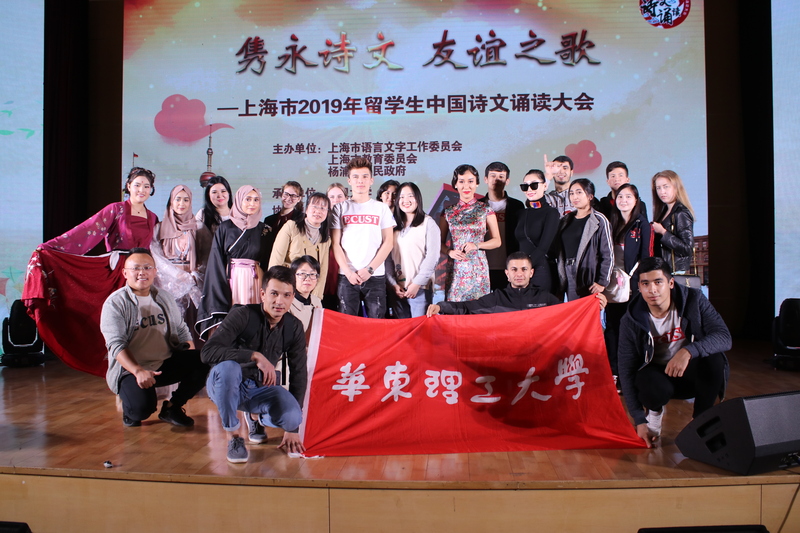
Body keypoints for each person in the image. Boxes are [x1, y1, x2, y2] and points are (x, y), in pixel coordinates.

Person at [618, 257, 730, 448]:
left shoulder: (694, 300)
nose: (652, 290)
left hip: (689, 374)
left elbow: (724, 337)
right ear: (639, 287)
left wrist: (688, 351)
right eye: (645, 284)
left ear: (670, 283)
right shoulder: (631, 320)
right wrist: (639, 420)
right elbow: (626, 369)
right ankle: (654, 414)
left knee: (714, 359)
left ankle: (700, 420)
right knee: (644, 379)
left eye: (658, 282)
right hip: (658, 380)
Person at [201, 266, 307, 463]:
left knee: (293, 417)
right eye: (274, 293)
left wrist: (293, 429)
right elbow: (207, 352)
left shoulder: (294, 327)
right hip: (226, 384)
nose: (279, 301)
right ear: (263, 294)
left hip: (260, 389)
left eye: (286, 295)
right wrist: (253, 356)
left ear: (293, 297)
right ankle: (234, 437)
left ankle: (255, 417)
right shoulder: (243, 315)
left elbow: (299, 373)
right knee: (229, 368)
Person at [101, 248, 208, 427]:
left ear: (155, 271)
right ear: (125, 273)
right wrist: (137, 370)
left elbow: (181, 330)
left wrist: (190, 363)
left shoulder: (164, 297)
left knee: (204, 359)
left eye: (147, 267)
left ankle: (173, 408)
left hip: (163, 364)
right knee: (142, 410)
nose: (142, 272)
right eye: (136, 268)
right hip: (131, 370)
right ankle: (131, 410)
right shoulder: (115, 303)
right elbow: (116, 344)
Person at [426, 252, 600, 316]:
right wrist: (440, 307)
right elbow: (466, 308)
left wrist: (594, 304)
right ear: (507, 274)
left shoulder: (545, 298)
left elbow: (571, 312)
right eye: (514, 270)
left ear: (531, 273)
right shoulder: (497, 298)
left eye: (524, 269)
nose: (519, 274)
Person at [196, 185, 264, 340]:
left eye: (256, 200)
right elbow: (216, 258)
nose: (252, 203)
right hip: (233, 279)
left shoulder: (264, 229)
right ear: (239, 200)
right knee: (232, 321)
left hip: (256, 280)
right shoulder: (225, 227)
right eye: (248, 199)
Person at [330, 157, 396, 318]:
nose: (360, 181)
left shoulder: (381, 208)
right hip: (347, 276)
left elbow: (388, 242)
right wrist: (348, 272)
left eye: (365, 176)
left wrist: (370, 269)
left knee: (377, 325)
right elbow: (336, 244)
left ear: (371, 180)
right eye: (356, 177)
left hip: (375, 276)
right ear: (349, 181)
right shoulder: (340, 208)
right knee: (347, 324)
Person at [604, 183, 654, 390]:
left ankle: (633, 374)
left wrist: (639, 284)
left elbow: (646, 257)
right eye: (620, 197)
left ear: (636, 201)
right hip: (612, 285)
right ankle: (614, 372)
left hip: (632, 286)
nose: (623, 200)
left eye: (628, 197)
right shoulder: (611, 223)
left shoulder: (642, 225)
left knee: (631, 329)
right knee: (612, 328)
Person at [41, 167, 158, 254]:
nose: (141, 190)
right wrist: (53, 246)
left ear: (151, 189)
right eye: (137, 185)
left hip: (144, 269)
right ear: (128, 186)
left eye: (146, 186)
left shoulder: (153, 217)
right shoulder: (116, 209)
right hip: (119, 266)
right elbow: (88, 229)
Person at [440, 164, 501, 302]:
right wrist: (449, 252)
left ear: (477, 184)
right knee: (454, 309)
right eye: (461, 181)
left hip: (478, 268)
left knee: (479, 308)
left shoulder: (486, 209)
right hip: (456, 267)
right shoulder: (448, 212)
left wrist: (476, 245)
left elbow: (497, 241)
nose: (466, 186)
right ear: (455, 184)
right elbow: (439, 243)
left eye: (470, 181)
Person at [386, 182, 441, 318]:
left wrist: (417, 283)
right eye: (402, 197)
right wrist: (393, 284)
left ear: (418, 198)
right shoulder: (393, 227)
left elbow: (432, 257)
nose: (406, 200)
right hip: (398, 290)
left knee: (419, 328)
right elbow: (387, 258)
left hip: (420, 289)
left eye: (410, 196)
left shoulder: (428, 223)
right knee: (402, 329)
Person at [554, 179, 613, 302]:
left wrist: (602, 281)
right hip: (567, 271)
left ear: (590, 196)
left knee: (588, 311)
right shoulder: (566, 220)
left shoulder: (599, 220)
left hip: (589, 274)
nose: (574, 197)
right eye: (571, 193)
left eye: (579, 192)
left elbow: (608, 254)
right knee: (573, 310)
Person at [151, 185, 203, 319]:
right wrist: (177, 274)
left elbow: (207, 254)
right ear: (171, 202)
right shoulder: (159, 228)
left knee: (191, 323)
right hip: (168, 284)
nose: (181, 203)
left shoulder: (198, 227)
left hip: (193, 283)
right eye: (178, 199)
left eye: (186, 200)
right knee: (170, 321)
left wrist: (195, 275)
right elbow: (156, 255)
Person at [268, 192, 331, 299]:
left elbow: (323, 271)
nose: (318, 211)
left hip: (309, 293)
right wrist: (274, 291)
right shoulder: (291, 227)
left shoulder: (325, 239)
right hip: (286, 288)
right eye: (314, 206)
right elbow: (276, 261)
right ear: (306, 209)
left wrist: (316, 298)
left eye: (323, 208)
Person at [478, 162, 525, 290]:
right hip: (482, 267)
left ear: (507, 181)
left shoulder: (517, 206)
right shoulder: (477, 206)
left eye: (501, 177)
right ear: (485, 179)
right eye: (493, 176)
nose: (496, 180)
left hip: (509, 268)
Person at [514, 169, 559, 292]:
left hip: (540, 270)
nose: (529, 189)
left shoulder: (551, 213)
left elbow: (543, 247)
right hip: (520, 272)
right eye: (525, 186)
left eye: (534, 185)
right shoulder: (521, 213)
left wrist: (524, 268)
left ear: (545, 186)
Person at [652, 170, 695, 273]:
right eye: (658, 188)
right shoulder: (663, 211)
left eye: (666, 187)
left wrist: (663, 232)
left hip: (676, 272)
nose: (662, 192)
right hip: (664, 270)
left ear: (676, 187)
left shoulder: (681, 213)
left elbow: (687, 249)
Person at [195, 176, 233, 271]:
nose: (219, 195)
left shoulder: (237, 215)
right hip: (209, 265)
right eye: (214, 192)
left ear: (229, 193)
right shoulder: (202, 214)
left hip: (233, 266)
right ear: (208, 195)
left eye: (223, 191)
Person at [261, 181, 304, 263]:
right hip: (269, 262)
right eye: (286, 194)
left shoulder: (302, 219)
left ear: (299, 199)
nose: (288, 198)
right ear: (281, 194)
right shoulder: (269, 219)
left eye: (293, 196)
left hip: (290, 263)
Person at [322, 183, 347, 310]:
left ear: (346, 198)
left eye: (339, 196)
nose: (336, 200)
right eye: (331, 197)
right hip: (328, 268)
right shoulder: (321, 220)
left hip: (348, 268)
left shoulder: (352, 219)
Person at [289, 255, 323, 333]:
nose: (307, 279)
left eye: (312, 274)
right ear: (293, 277)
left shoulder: (317, 301)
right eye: (302, 274)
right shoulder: (287, 303)